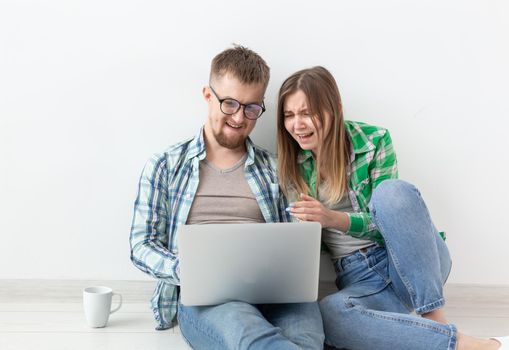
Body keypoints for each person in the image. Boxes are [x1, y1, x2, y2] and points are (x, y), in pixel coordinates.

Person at [276, 66, 508, 350]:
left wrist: (333, 219)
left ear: (335, 109)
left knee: (392, 193)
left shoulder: (374, 141)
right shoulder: (291, 167)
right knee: (330, 315)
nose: (297, 124)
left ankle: (434, 318)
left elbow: (390, 219)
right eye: (289, 115)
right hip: (359, 278)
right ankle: (464, 344)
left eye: (307, 112)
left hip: (412, 260)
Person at [129, 46, 324, 350]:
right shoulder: (166, 165)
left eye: (251, 108)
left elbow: (299, 242)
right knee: (251, 337)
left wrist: (307, 224)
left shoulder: (277, 168)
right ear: (208, 95)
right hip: (210, 298)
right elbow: (141, 245)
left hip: (278, 292)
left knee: (306, 340)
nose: (239, 118)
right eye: (229, 103)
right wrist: (188, 269)